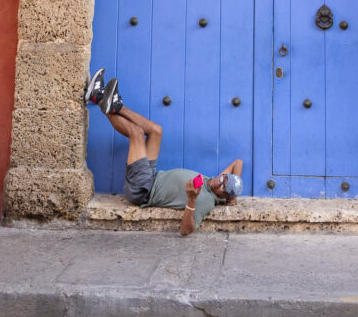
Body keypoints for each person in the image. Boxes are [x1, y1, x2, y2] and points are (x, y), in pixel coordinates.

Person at [85, 68, 244, 236]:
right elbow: (237, 163)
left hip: (143, 189)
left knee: (136, 134)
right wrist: (232, 198)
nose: (220, 181)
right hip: (153, 176)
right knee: (156, 131)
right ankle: (117, 106)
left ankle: (98, 98)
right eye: (224, 178)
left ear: (222, 195)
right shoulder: (217, 183)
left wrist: (191, 199)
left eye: (223, 186)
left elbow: (186, 230)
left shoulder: (206, 200)